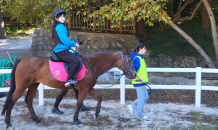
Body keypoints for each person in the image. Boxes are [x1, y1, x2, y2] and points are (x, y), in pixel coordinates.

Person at [52, 9, 80, 88]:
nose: (63, 18)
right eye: (60, 17)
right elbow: (65, 41)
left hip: (62, 49)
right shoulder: (60, 26)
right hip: (61, 50)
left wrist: (73, 43)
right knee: (76, 62)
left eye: (64, 16)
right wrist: (74, 43)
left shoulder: (59, 26)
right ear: (56, 18)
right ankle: (70, 79)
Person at [127, 43, 149, 119]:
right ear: (140, 49)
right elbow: (134, 71)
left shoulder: (140, 58)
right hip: (138, 81)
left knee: (145, 97)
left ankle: (132, 106)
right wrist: (140, 79)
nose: (145, 50)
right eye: (144, 49)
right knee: (142, 98)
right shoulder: (137, 58)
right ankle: (139, 115)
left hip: (141, 82)